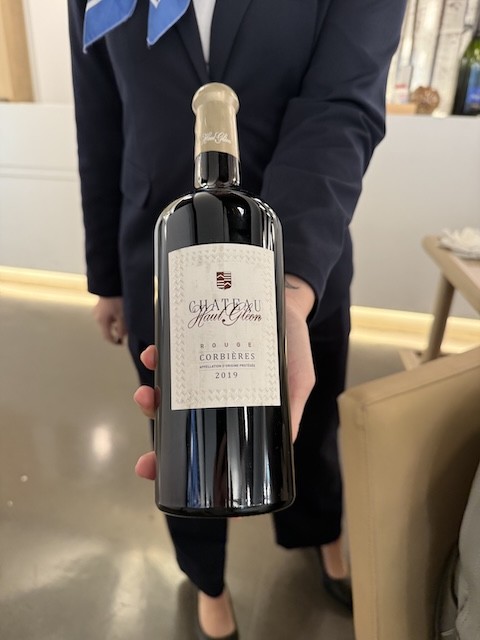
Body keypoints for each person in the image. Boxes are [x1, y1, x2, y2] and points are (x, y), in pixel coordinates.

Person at [68, 1, 406, 637]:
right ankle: (207, 579)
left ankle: (321, 531)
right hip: (162, 262)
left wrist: (289, 290)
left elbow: (342, 104)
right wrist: (106, 279)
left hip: (296, 255)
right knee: (182, 437)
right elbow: (100, 118)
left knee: (310, 423)